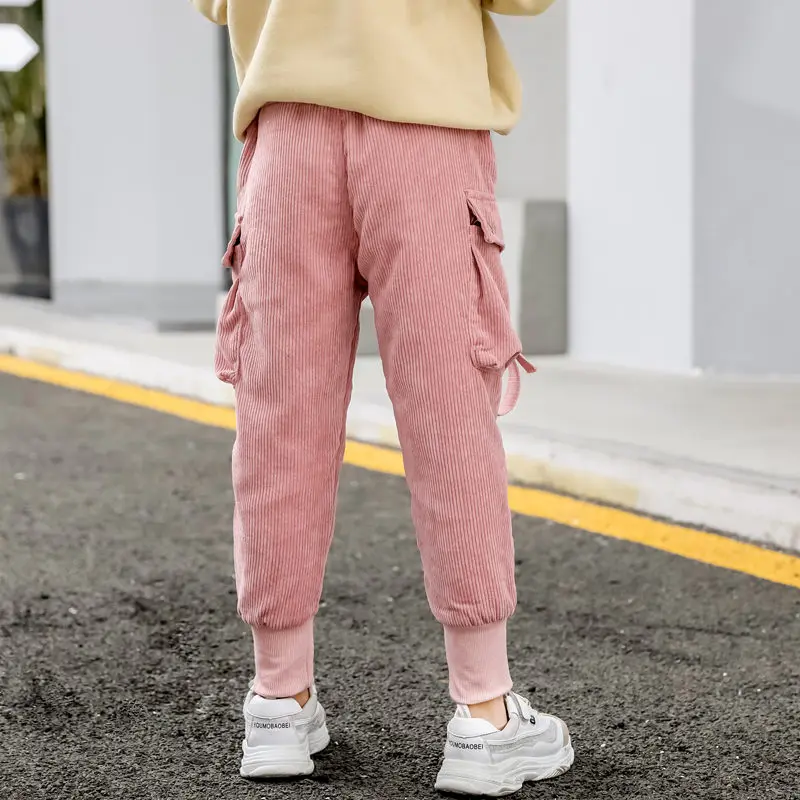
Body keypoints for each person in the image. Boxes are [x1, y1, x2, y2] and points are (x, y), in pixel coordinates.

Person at [192, 0, 573, 795]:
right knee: (449, 422)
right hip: (423, 132)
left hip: (289, 139)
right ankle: (484, 714)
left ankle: (279, 699)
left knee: (280, 424)